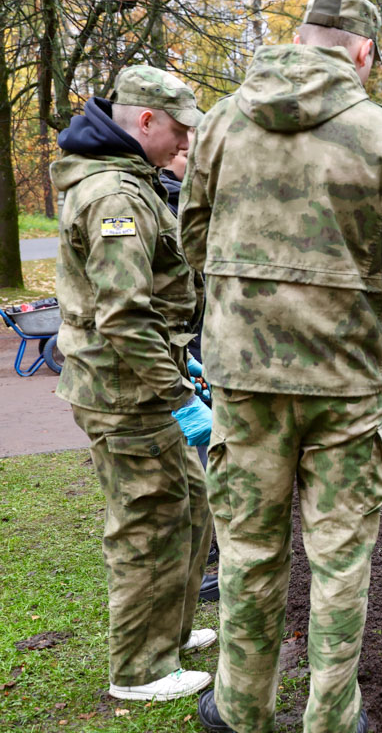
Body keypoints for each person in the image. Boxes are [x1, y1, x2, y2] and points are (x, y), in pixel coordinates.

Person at [179, 0, 382, 733]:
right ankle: (331, 715)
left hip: (244, 374)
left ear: (303, 37)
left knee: (249, 550)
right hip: (344, 376)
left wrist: (246, 298)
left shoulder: (224, 120)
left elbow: (192, 235)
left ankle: (241, 706)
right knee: (339, 554)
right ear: (362, 50)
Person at [52, 65, 215, 700]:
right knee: (148, 523)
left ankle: (168, 634)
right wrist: (178, 396)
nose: (183, 144)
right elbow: (122, 313)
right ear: (144, 120)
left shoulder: (129, 181)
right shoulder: (115, 195)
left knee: (190, 505)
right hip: (126, 394)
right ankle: (141, 671)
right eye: (177, 131)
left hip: (142, 380)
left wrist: (180, 361)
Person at [162, 136, 221, 604]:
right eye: (185, 153)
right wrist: (181, 386)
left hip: (196, 341)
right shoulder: (159, 202)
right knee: (189, 457)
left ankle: (205, 554)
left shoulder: (201, 196)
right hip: (175, 345)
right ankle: (200, 562)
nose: (193, 159)